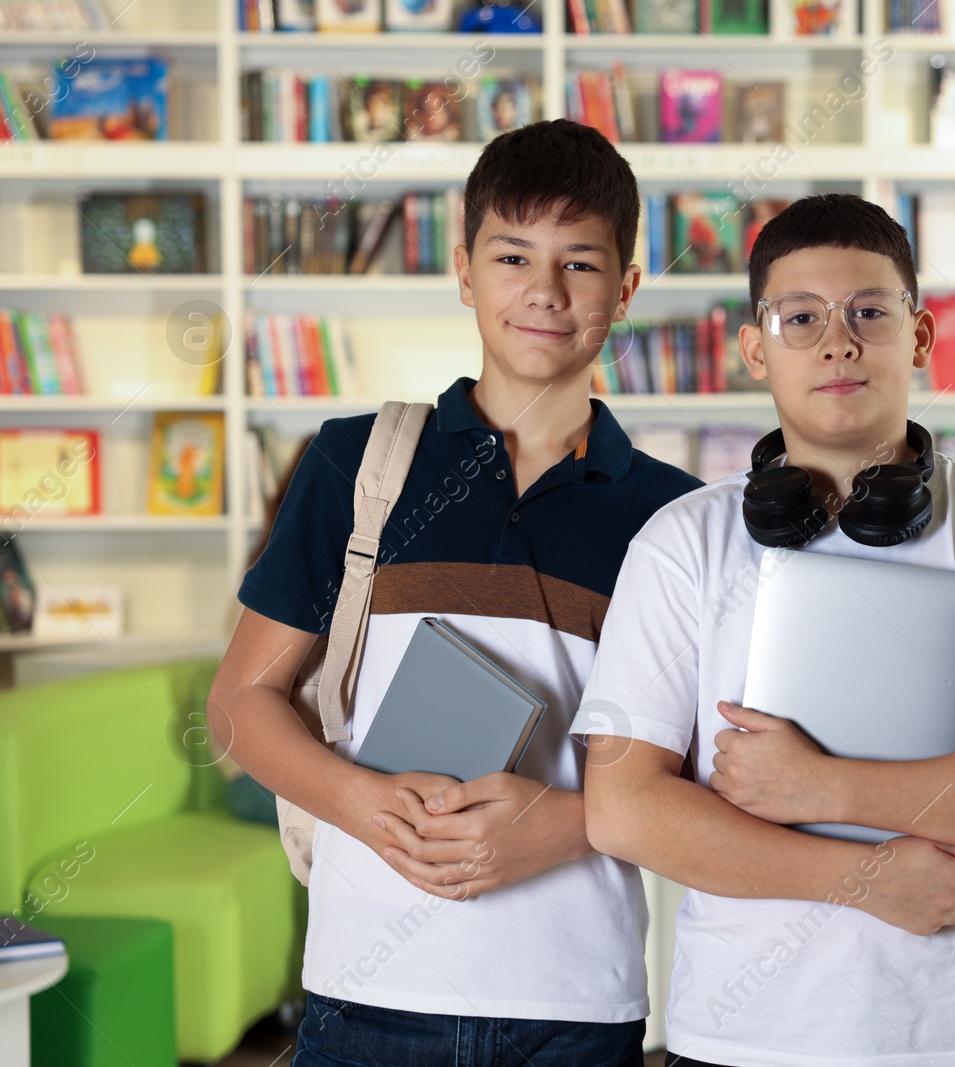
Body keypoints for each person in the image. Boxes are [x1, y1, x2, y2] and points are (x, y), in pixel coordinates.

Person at [578, 193, 955, 1066]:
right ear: (754, 348)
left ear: (919, 337)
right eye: (799, 317)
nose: (837, 341)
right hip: (739, 1039)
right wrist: (863, 878)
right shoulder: (681, 541)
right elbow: (622, 808)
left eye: (868, 313)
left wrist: (825, 788)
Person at [206, 119, 700, 1067]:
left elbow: (700, 767)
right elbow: (238, 705)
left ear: (627, 289)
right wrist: (362, 800)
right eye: (512, 254)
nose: (545, 292)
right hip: (364, 997)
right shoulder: (357, 463)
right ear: (465, 272)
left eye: (582, 264)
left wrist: (557, 826)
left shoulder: (673, 516)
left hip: (576, 1004)